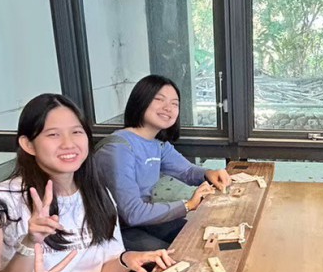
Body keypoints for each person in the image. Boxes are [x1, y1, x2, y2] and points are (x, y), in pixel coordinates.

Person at [0, 94, 173, 272]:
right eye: (53, 134)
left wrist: (126, 260)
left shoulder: (97, 194)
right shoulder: (2, 205)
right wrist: (29, 244)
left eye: (76, 132)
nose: (69, 144)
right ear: (28, 145)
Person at [97, 75, 231, 250]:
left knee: (199, 237)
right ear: (141, 100)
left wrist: (209, 173)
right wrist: (187, 205)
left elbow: (187, 171)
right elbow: (132, 213)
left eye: (175, 103)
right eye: (159, 99)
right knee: (177, 255)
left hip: (142, 220)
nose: (168, 108)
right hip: (112, 231)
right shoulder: (118, 148)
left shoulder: (158, 144)